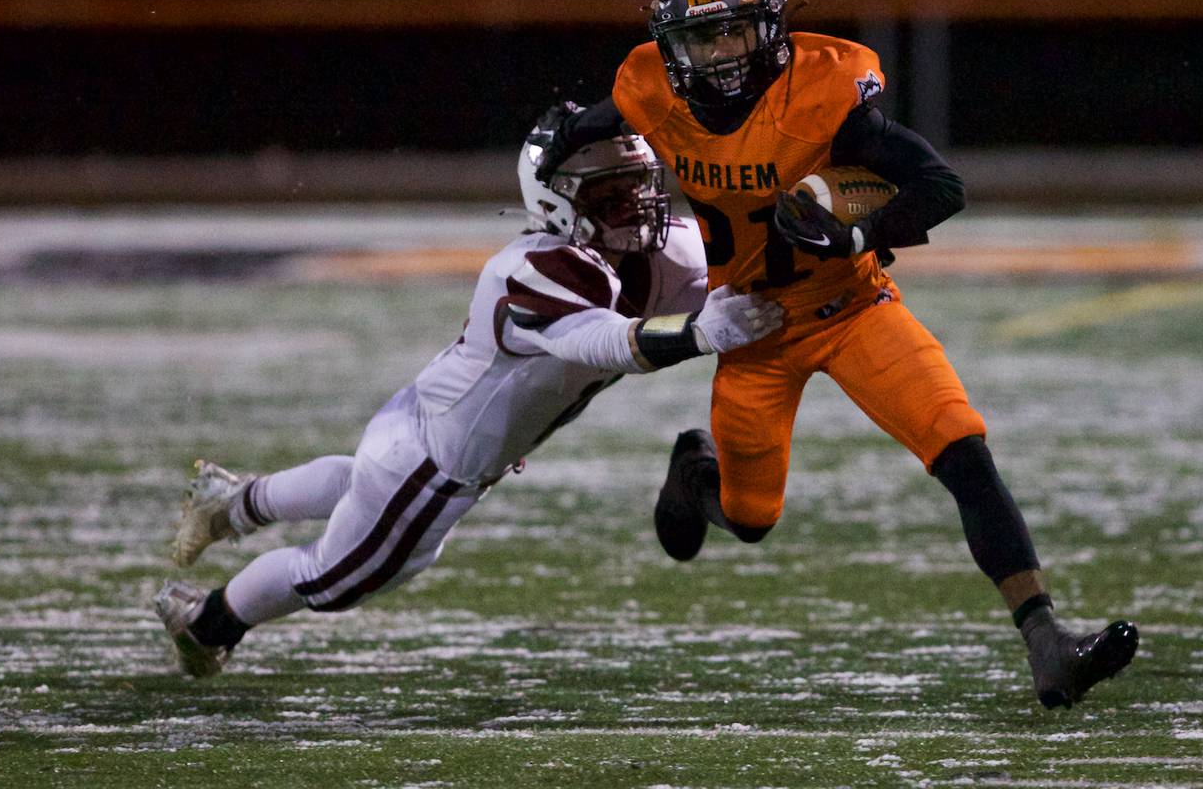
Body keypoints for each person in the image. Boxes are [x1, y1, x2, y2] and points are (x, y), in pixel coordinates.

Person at [530, 0, 1138, 709]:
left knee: (964, 451)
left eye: (733, 29)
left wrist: (857, 232)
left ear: (771, 24)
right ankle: (696, 471)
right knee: (752, 519)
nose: (719, 53)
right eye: (699, 35)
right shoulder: (651, 90)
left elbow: (939, 186)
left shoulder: (825, 91)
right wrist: (551, 141)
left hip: (852, 307)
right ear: (670, 47)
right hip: (752, 332)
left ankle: (1046, 640)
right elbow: (586, 125)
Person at [154, 127, 784, 677]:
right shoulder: (538, 268)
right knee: (332, 578)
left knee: (361, 488)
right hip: (437, 467)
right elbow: (602, 341)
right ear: (557, 202)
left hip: (421, 417)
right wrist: (699, 331)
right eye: (610, 196)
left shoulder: (661, 249)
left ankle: (235, 504)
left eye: (639, 187)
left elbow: (727, 267)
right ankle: (209, 621)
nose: (635, 208)